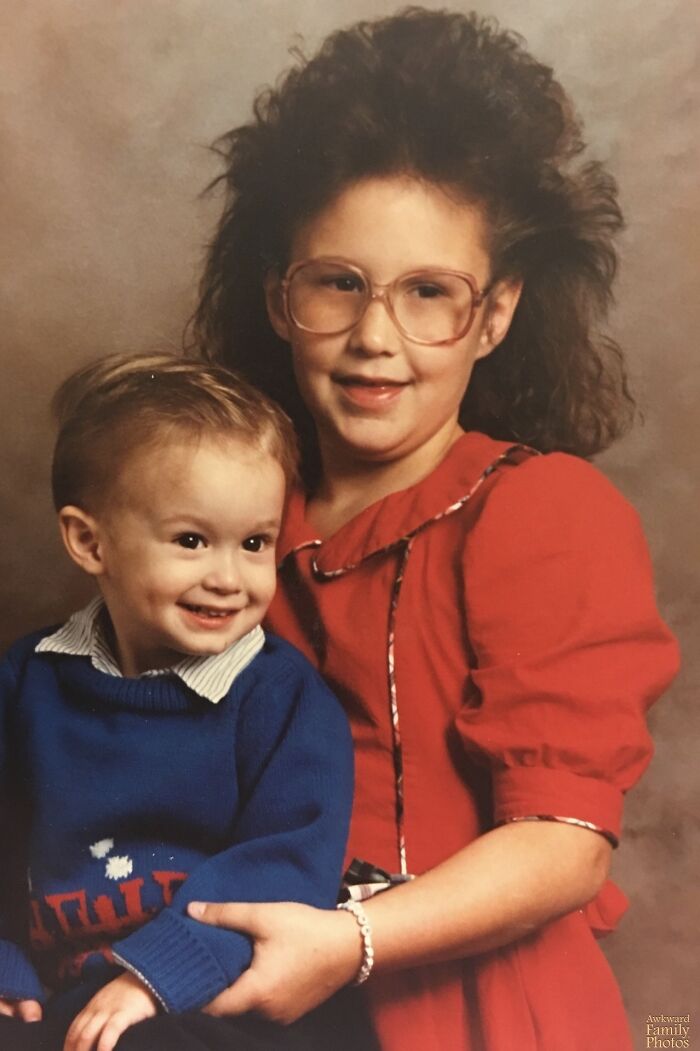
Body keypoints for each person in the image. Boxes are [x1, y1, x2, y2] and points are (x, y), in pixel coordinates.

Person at [186, 8, 681, 1051]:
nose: (375, 337)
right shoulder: (233, 520)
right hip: (257, 993)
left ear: (494, 316)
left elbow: (563, 843)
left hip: (471, 1016)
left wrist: (347, 940)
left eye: (428, 294)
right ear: (280, 298)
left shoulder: (541, 510)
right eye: (338, 283)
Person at [0, 354, 378, 1051]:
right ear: (91, 542)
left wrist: (152, 976)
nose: (229, 577)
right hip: (68, 988)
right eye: (192, 540)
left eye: (255, 542)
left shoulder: (280, 696)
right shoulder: (29, 680)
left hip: (224, 984)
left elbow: (285, 861)